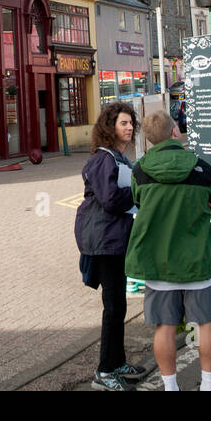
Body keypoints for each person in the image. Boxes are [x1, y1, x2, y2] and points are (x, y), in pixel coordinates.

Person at [125, 110, 211, 391]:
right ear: (174, 133)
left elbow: (139, 204)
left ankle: (170, 387)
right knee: (205, 324)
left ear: (149, 140)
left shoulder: (139, 171)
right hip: (197, 259)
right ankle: (208, 386)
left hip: (157, 261)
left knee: (165, 327)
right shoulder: (203, 169)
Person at [74, 101, 150, 391]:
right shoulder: (104, 159)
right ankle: (104, 371)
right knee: (113, 306)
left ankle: (118, 363)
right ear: (110, 127)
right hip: (104, 241)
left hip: (115, 239)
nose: (129, 128)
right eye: (123, 123)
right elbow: (110, 199)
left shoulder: (118, 158)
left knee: (117, 305)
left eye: (131, 123)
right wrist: (138, 193)